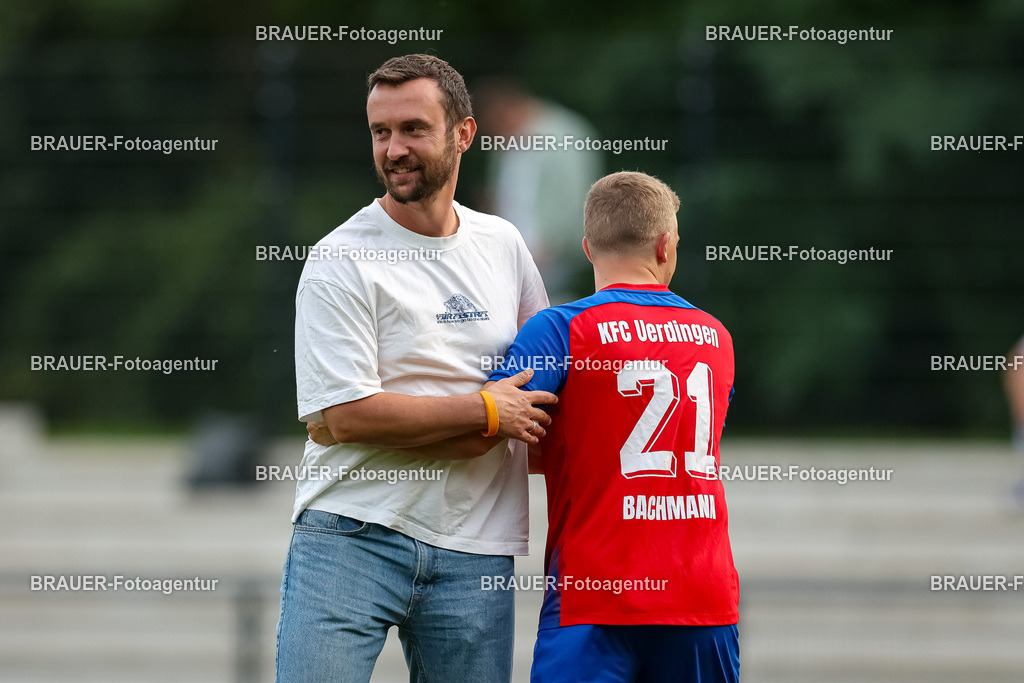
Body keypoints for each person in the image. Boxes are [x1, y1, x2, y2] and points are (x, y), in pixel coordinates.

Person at [276, 53, 558, 683]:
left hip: (475, 549)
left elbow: (541, 391)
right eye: (381, 133)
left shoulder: (504, 244)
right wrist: (485, 413)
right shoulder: (338, 259)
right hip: (352, 534)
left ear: (463, 134)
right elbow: (347, 416)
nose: (394, 149)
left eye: (413, 129)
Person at [487, 171, 740, 682]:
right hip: (702, 595)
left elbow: (490, 424)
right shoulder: (717, 337)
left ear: (587, 248)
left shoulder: (561, 328)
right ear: (665, 245)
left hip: (593, 596)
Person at [474, 77, 603, 303]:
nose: (494, 138)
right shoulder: (508, 142)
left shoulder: (565, 135)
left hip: (555, 264)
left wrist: (549, 247)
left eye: (493, 128)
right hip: (512, 258)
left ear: (505, 110)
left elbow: (573, 200)